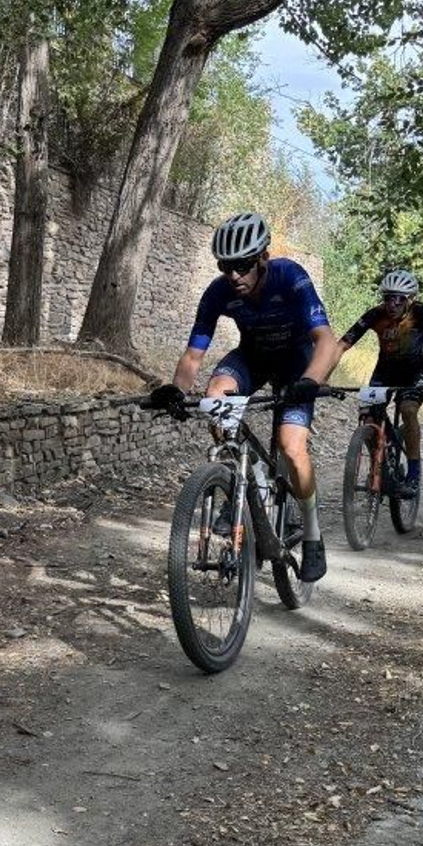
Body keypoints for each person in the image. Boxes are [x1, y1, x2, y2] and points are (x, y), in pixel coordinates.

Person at [148, 212, 340, 582]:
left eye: (242, 265)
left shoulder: (290, 276)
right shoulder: (219, 292)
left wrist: (311, 380)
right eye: (225, 266)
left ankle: (314, 534)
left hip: (297, 362)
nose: (234, 274)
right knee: (216, 396)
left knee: (291, 447)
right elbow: (193, 355)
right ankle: (240, 484)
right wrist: (177, 390)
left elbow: (325, 340)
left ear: (263, 257)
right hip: (252, 357)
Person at [326, 269, 423, 499]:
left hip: (413, 373)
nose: (392, 304)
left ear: (410, 299)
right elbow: (342, 344)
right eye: (387, 298)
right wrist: (323, 378)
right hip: (384, 373)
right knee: (369, 416)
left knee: (408, 410)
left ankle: (414, 474)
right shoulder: (376, 314)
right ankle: (379, 463)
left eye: (399, 298)